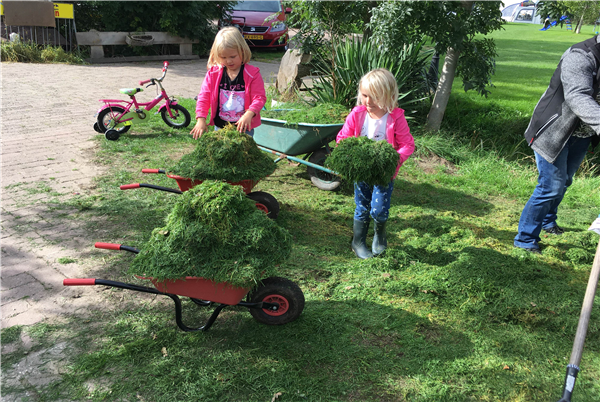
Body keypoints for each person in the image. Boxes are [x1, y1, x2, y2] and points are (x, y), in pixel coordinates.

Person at [514, 36, 600, 253]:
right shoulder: (580, 56)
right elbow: (577, 96)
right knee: (550, 186)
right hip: (553, 131)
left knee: (565, 181)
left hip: (583, 134)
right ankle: (525, 240)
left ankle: (547, 221)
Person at [336, 69, 415, 259]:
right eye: (364, 96)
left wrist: (393, 160)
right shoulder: (357, 114)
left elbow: (407, 145)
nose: (368, 101)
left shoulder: (395, 117)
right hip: (362, 171)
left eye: (374, 97)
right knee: (362, 206)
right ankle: (358, 242)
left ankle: (380, 235)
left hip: (384, 174)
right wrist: (351, 154)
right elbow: (342, 138)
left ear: (388, 95)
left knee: (379, 210)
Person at [190, 27, 266, 139]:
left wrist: (249, 114)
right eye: (223, 57)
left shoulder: (252, 74)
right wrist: (201, 119)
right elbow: (204, 96)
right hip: (220, 127)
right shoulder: (213, 74)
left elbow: (259, 97)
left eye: (232, 56)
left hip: (243, 128)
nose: (229, 61)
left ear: (242, 51)